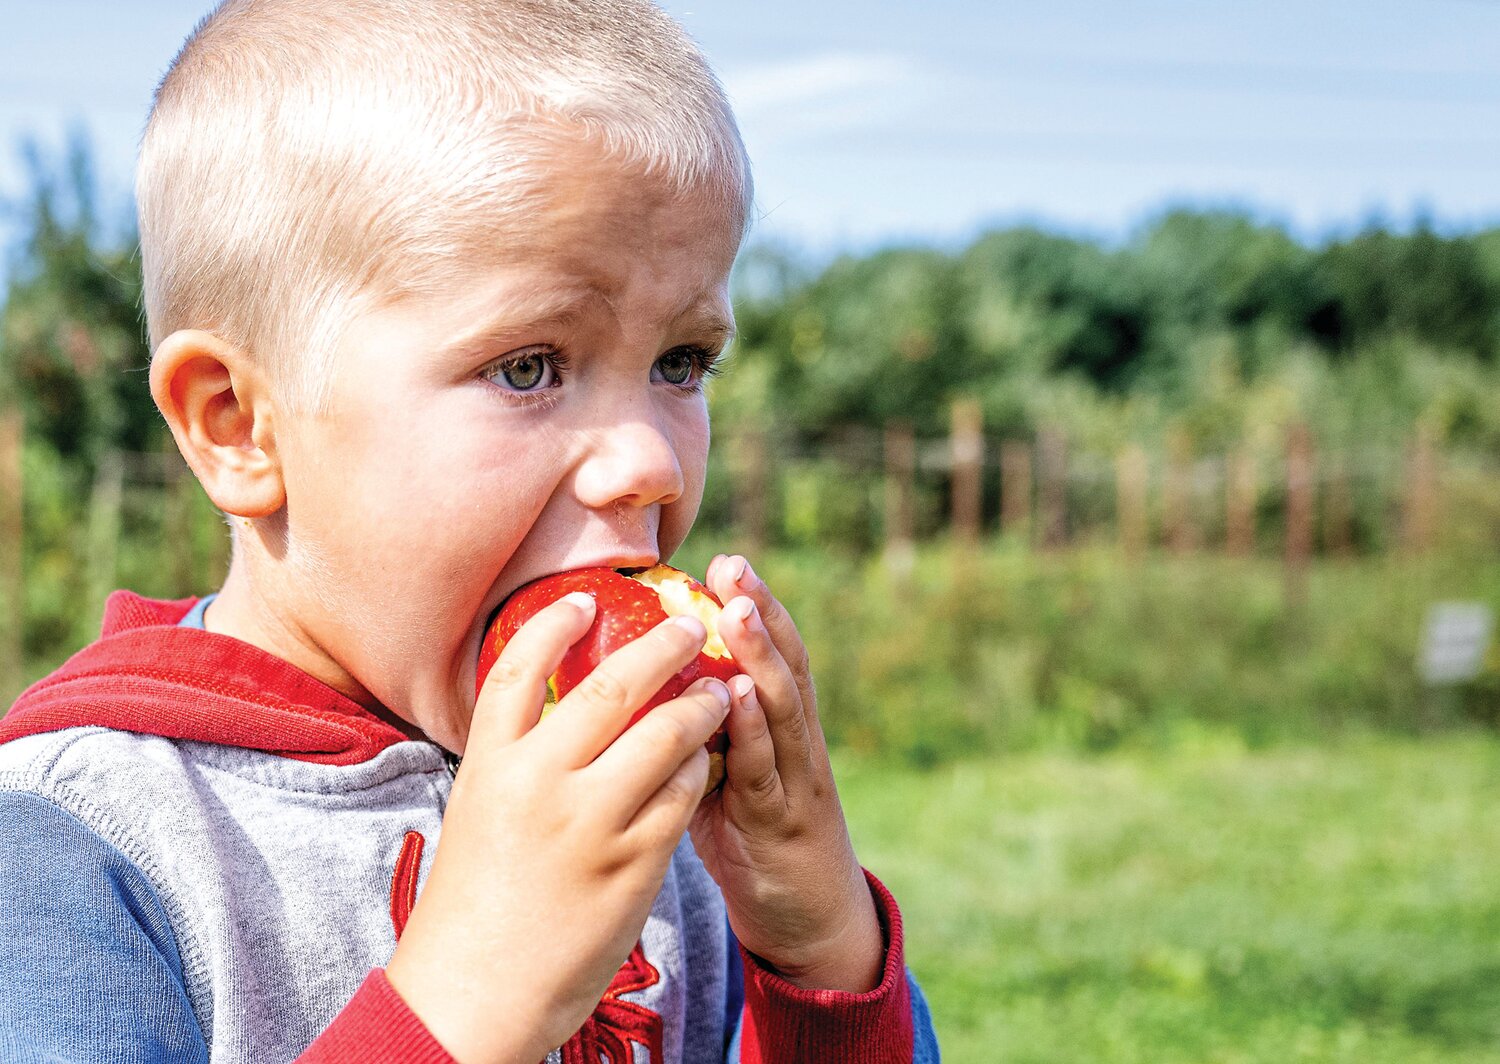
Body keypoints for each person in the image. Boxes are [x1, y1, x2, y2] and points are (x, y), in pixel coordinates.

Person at [0, 1, 940, 1061]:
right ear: (241, 425)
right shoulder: (77, 849)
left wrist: (817, 954)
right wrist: (467, 999)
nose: (653, 463)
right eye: (528, 366)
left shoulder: (663, 805)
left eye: (681, 362)